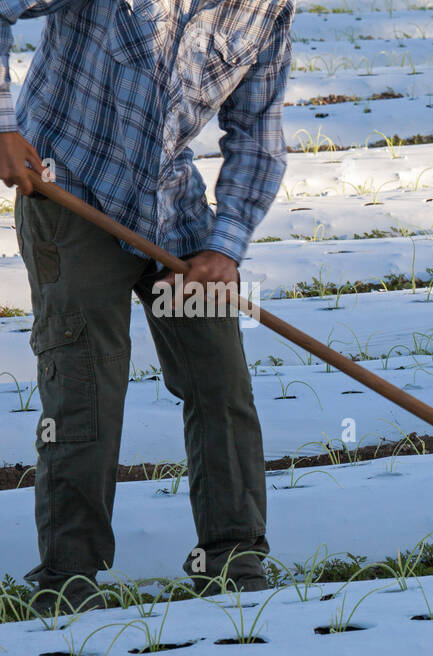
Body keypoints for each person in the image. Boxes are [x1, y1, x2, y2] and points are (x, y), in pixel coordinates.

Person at [0, 0, 294, 612]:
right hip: (68, 190)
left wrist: (225, 245)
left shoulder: (267, 9)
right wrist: (2, 126)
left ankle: (234, 559)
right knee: (85, 385)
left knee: (220, 380)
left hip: (171, 208)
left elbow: (259, 135)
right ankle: (68, 577)